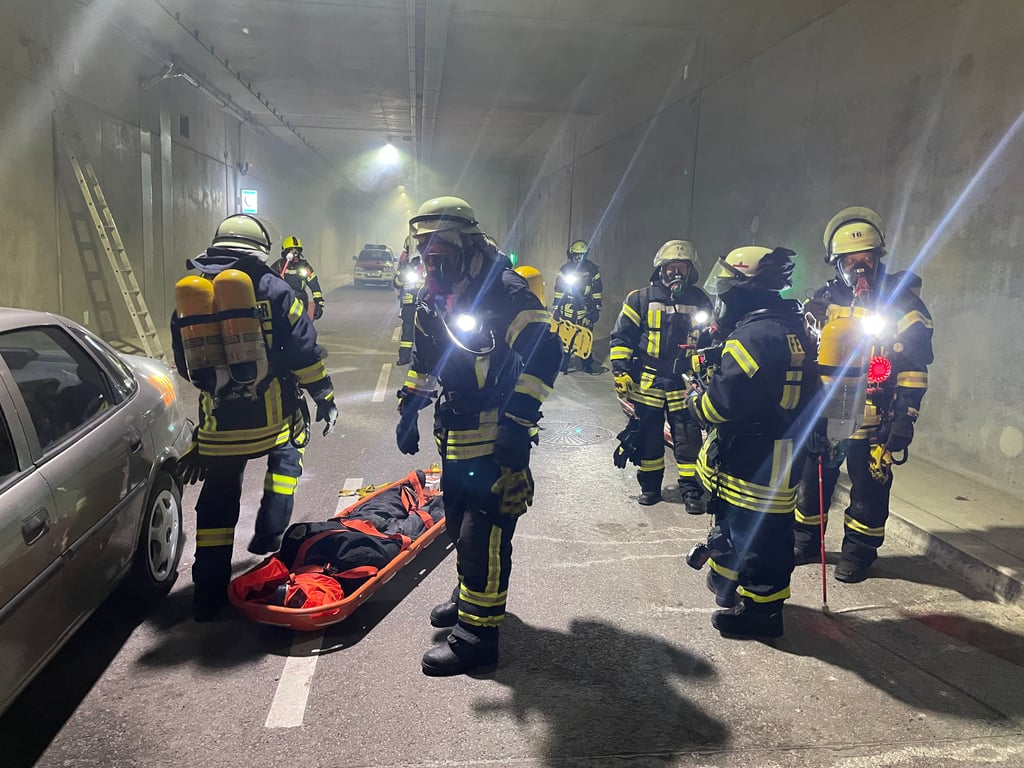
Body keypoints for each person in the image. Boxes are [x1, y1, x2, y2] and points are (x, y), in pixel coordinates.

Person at [395, 196, 561, 676]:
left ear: (467, 244)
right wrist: (411, 406)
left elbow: (547, 354)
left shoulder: (504, 291)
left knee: (482, 536)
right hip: (457, 433)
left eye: (440, 245)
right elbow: (427, 360)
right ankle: (470, 597)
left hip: (496, 437)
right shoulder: (434, 294)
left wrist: (518, 423)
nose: (431, 256)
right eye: (424, 245)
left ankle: (476, 640)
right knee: (458, 527)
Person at [171, 214, 338, 621]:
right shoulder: (273, 288)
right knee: (287, 461)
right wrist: (324, 396)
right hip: (272, 417)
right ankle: (270, 540)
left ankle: (208, 593)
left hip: (218, 426)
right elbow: (304, 351)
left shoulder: (191, 295)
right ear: (259, 248)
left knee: (216, 505)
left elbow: (183, 362)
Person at [793, 207, 933, 583]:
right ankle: (806, 541)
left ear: (878, 259)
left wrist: (906, 417)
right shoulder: (821, 302)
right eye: (851, 261)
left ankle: (858, 552)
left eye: (866, 259)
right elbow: (805, 360)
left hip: (877, 414)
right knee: (813, 478)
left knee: (869, 486)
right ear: (836, 262)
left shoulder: (903, 304)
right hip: (829, 411)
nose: (859, 268)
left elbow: (914, 367)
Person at [688, 245, 817, 638]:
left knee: (762, 536)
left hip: (756, 454)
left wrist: (695, 403)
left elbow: (724, 402)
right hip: (775, 448)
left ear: (748, 289)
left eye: (728, 285)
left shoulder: (754, 336)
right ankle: (729, 585)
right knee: (742, 524)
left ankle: (763, 613)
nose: (722, 294)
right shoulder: (788, 324)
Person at [609, 240, 713, 511]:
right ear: (661, 269)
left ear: (691, 272)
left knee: (688, 437)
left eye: (682, 267)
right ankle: (651, 488)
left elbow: (711, 339)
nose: (676, 272)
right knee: (648, 437)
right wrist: (620, 369)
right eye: (671, 267)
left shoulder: (700, 300)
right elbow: (622, 337)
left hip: (684, 381)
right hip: (649, 380)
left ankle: (691, 490)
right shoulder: (639, 298)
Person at [553, 239, 603, 373]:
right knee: (565, 335)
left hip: (585, 308)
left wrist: (596, 308)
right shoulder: (565, 269)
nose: (579, 258)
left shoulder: (592, 269)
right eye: (577, 255)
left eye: (582, 255)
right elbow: (559, 290)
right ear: (572, 255)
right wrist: (556, 308)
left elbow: (597, 290)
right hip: (568, 307)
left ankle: (586, 362)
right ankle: (564, 361)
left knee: (585, 335)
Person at [270, 235, 326, 320]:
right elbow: (268, 281)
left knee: (298, 324)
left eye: (297, 251)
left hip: (300, 299)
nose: (295, 253)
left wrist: (319, 303)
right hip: (283, 299)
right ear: (285, 252)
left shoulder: (304, 267)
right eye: (291, 250)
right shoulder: (279, 265)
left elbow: (314, 284)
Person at [394, 253, 424, 365]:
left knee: (426, 333)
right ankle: (404, 357)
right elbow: (396, 283)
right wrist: (401, 275)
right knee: (407, 332)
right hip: (409, 304)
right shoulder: (406, 267)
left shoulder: (430, 265)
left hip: (425, 304)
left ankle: (425, 358)